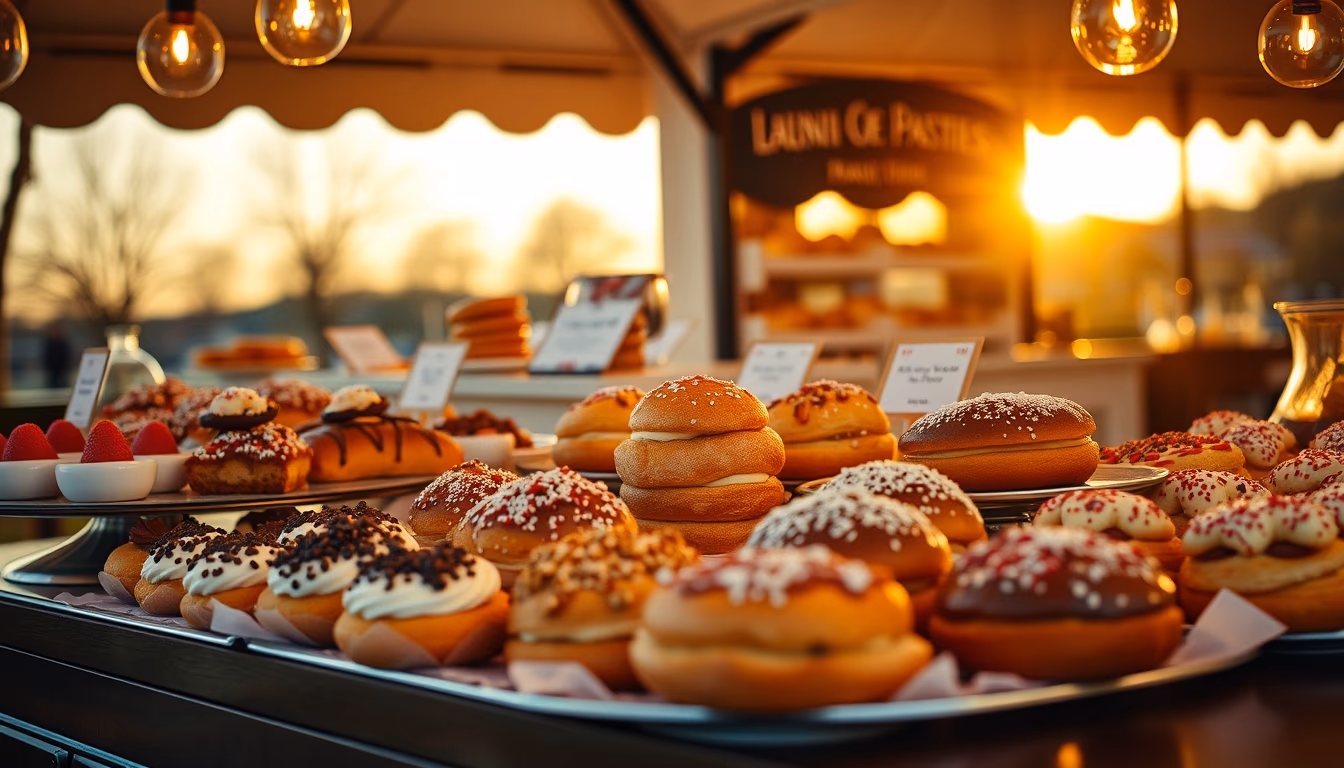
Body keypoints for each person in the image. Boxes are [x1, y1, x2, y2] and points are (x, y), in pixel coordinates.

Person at [42, 321, 71, 389]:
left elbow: (67, 357)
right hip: (52, 373)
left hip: (62, 372)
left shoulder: (63, 343)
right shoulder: (49, 343)